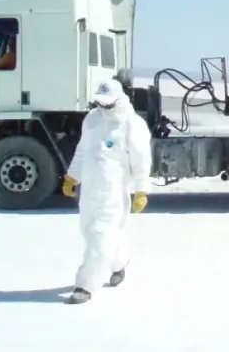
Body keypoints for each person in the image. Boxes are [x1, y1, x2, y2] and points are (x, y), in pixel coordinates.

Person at [61, 78, 152, 305]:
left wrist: (141, 190)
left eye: (108, 104)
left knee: (100, 237)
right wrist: (73, 176)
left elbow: (142, 160)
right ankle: (119, 263)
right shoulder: (92, 119)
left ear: (119, 99)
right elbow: (83, 149)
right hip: (89, 190)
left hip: (113, 192)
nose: (104, 107)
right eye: (100, 103)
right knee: (95, 233)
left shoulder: (132, 124)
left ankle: (85, 286)